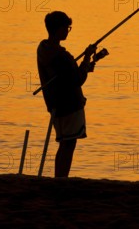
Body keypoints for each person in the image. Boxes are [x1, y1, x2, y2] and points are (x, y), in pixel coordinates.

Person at [37, 11, 97, 177]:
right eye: (67, 28)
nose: (68, 31)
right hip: (69, 104)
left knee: (64, 143)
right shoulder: (61, 56)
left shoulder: (43, 49)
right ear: (58, 29)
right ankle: (62, 177)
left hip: (55, 104)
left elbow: (68, 75)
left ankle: (59, 177)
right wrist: (86, 59)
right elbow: (77, 80)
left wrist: (83, 66)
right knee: (69, 144)